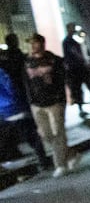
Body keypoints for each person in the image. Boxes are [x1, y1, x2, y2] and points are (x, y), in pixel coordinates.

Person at [24, 34, 73, 177]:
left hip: (54, 102)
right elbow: (26, 83)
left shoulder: (54, 60)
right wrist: (30, 100)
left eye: (35, 43)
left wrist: (62, 98)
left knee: (58, 132)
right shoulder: (27, 62)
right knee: (45, 134)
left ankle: (60, 164)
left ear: (42, 44)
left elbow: (62, 79)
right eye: (30, 43)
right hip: (36, 104)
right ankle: (70, 153)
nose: (32, 46)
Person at [1, 32, 48, 161]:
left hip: (9, 107)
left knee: (24, 130)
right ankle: (41, 155)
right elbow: (11, 84)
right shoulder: (20, 59)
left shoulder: (6, 61)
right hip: (17, 102)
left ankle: (40, 155)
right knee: (29, 129)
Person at [0, 62, 49, 171]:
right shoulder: (2, 73)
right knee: (29, 134)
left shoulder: (1, 73)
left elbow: (10, 87)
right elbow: (10, 86)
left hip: (11, 108)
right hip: (11, 108)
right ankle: (42, 157)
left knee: (28, 134)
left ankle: (42, 158)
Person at [62, 23, 90, 119]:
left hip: (82, 68)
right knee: (79, 89)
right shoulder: (68, 41)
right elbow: (74, 54)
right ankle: (82, 108)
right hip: (76, 69)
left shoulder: (75, 40)